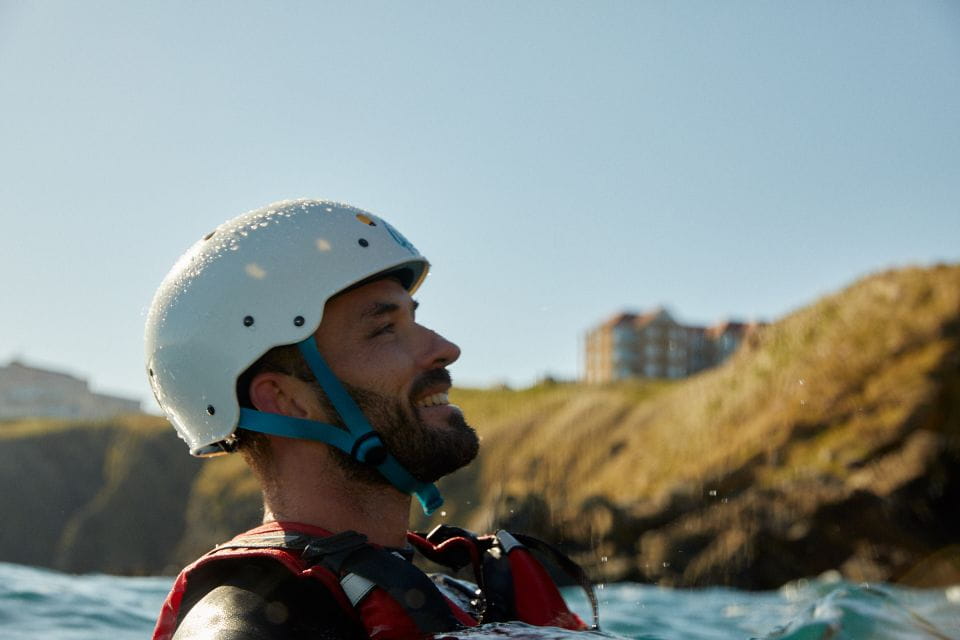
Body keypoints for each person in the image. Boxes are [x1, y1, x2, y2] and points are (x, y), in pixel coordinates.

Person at [146, 199, 597, 639]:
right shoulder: (250, 617)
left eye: (414, 319)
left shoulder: (448, 589)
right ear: (286, 401)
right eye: (384, 329)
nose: (445, 348)